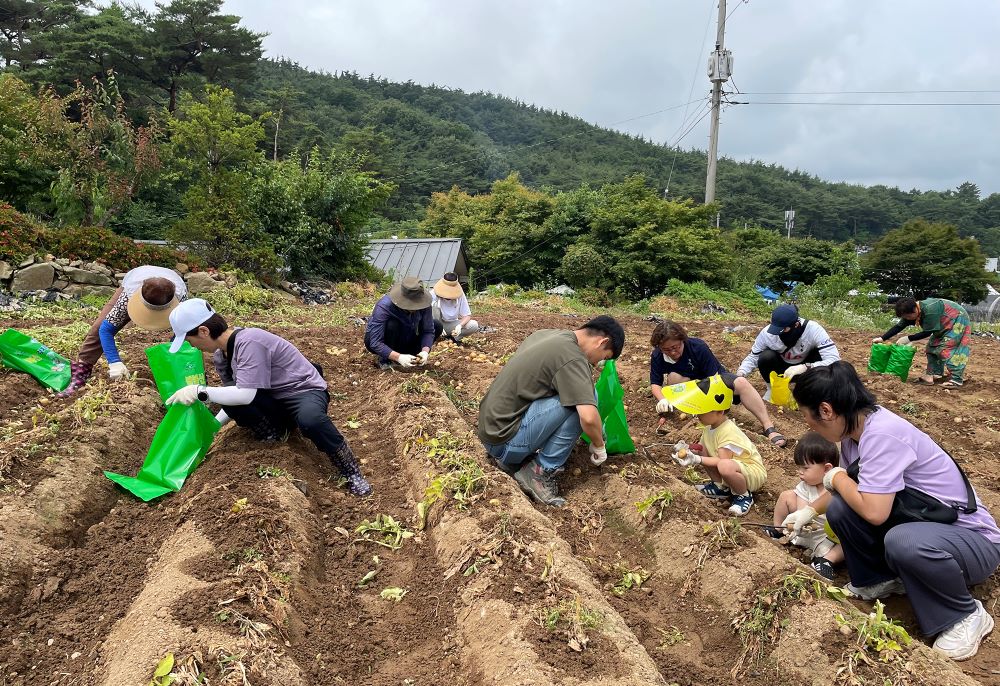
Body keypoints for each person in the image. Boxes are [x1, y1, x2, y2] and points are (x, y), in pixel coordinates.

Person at [784, 361, 1000, 660]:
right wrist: (808, 511)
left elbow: (874, 512)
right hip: (928, 525)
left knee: (902, 541)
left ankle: (963, 613)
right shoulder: (853, 431)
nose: (810, 426)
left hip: (971, 544)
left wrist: (839, 478)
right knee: (842, 509)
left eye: (809, 419)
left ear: (826, 410)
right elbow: (847, 490)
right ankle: (878, 579)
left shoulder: (882, 436)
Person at [162, 298, 372, 497]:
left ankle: (350, 470)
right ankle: (274, 434)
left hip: (301, 391)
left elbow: (244, 394)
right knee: (228, 394)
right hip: (273, 399)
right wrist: (212, 428)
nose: (192, 347)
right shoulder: (221, 355)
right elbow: (233, 395)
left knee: (311, 421)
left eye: (190, 340)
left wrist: (199, 391)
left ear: (204, 331)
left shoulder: (249, 341)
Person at [477, 316, 625, 507]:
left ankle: (515, 460)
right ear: (602, 342)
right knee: (583, 401)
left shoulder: (547, 335)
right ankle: (539, 473)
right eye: (604, 357)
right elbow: (588, 418)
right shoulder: (573, 357)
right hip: (504, 442)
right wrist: (598, 444)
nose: (597, 364)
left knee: (584, 392)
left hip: (492, 430)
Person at [649, 320, 787, 448]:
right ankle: (692, 415)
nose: (673, 352)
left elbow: (714, 380)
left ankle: (768, 427)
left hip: (713, 381)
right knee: (674, 378)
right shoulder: (658, 356)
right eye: (666, 350)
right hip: (689, 389)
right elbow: (655, 383)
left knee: (741, 383)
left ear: (682, 340)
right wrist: (663, 400)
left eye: (676, 347)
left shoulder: (697, 347)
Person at [57, 265, 186, 396]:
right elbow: (106, 329)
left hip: (171, 297)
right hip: (134, 283)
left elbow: (181, 334)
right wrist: (114, 362)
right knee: (99, 326)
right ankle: (81, 372)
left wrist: (172, 362)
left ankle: (179, 373)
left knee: (187, 334)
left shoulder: (181, 298)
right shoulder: (129, 294)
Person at [668, 374, 767, 516]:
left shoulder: (728, 431)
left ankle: (743, 495)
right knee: (703, 450)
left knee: (724, 466)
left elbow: (723, 461)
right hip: (735, 468)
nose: (697, 415)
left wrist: (697, 460)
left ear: (719, 411)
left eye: (702, 411)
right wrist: (688, 449)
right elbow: (702, 450)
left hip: (751, 472)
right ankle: (720, 486)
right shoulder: (709, 428)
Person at [766, 431, 844, 580]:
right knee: (786, 496)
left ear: (827, 469)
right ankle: (779, 529)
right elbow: (802, 512)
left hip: (827, 537)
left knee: (848, 541)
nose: (800, 473)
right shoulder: (806, 485)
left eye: (805, 468)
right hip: (805, 529)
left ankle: (827, 560)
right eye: (799, 467)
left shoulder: (836, 488)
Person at [736, 303, 841, 395]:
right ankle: (772, 389)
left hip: (804, 370)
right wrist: (741, 373)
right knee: (766, 356)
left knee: (820, 356)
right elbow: (753, 357)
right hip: (781, 369)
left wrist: (806, 367)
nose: (778, 333)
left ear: (796, 324)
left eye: (784, 329)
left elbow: (834, 360)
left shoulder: (813, 329)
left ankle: (811, 389)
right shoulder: (767, 333)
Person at [874, 296, 972, 387]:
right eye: (905, 317)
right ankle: (933, 374)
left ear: (915, 310)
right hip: (942, 324)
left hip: (957, 319)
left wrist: (908, 338)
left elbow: (927, 333)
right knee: (931, 347)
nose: (907, 319)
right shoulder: (911, 311)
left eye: (908, 317)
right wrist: (882, 338)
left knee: (946, 348)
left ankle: (956, 379)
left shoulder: (929, 310)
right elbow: (899, 326)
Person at [364, 276, 443, 370]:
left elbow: (428, 331)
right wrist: (398, 357)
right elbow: (375, 342)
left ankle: (411, 358)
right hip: (385, 341)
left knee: (437, 325)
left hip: (406, 338)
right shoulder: (385, 306)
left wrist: (425, 351)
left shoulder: (425, 305)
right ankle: (385, 360)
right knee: (392, 324)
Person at [432, 272, 480, 342]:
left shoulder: (460, 294)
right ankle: (434, 337)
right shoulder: (433, 293)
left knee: (473, 325)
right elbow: (426, 315)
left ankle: (452, 338)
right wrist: (437, 325)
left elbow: (467, 315)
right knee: (434, 307)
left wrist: (459, 326)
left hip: (450, 325)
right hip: (434, 325)